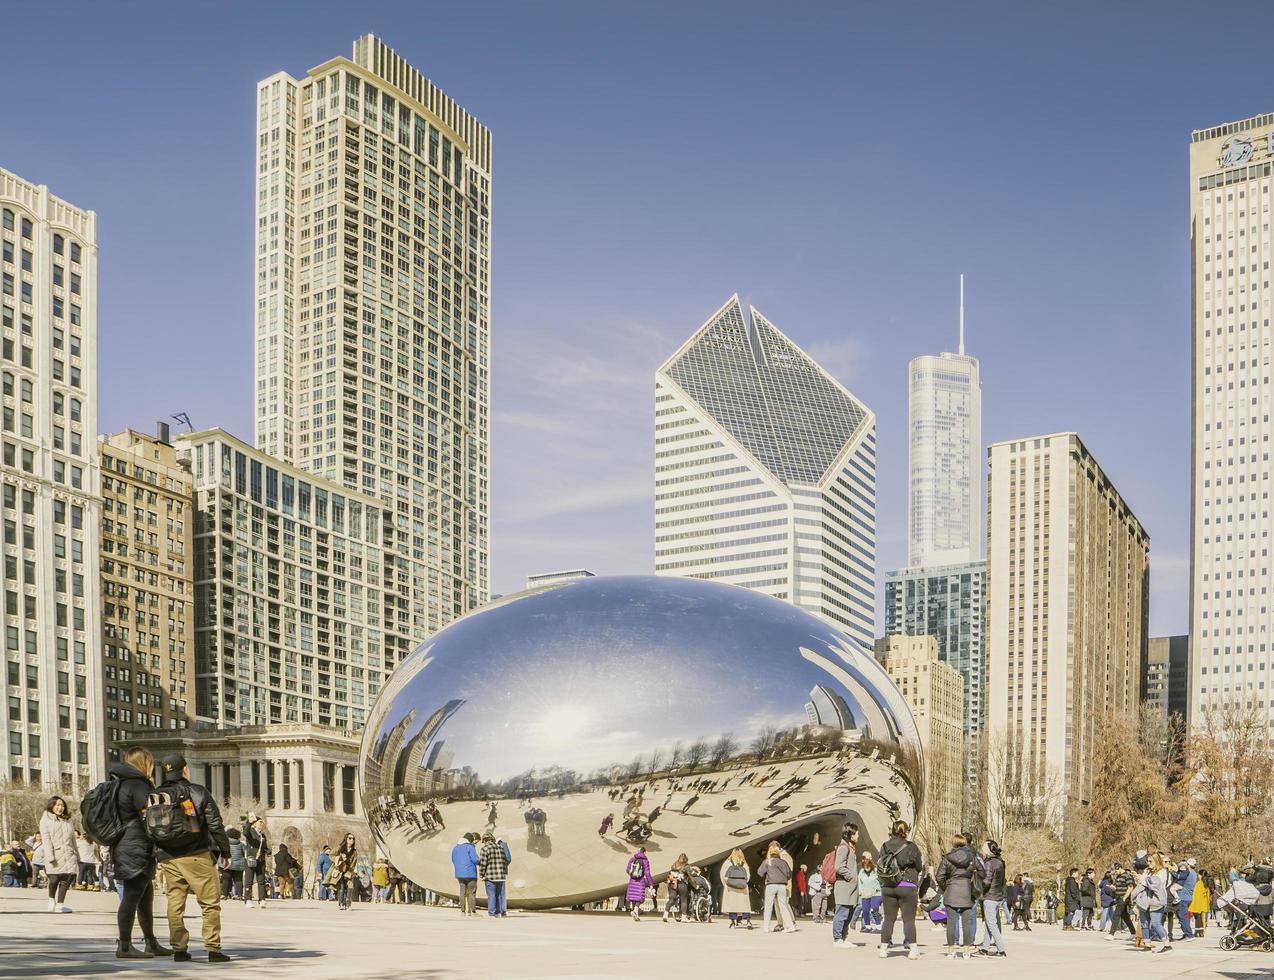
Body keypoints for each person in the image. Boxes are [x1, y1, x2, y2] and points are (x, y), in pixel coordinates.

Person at [151, 753, 231, 963]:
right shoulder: (196, 791)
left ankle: (179, 949)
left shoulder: (156, 795)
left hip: (167, 857)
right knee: (209, 903)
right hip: (196, 854)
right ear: (185, 769)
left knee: (175, 903)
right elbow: (215, 824)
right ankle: (213, 949)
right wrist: (225, 851)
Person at [111, 747, 170, 959]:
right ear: (145, 763)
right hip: (136, 846)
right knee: (132, 895)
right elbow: (154, 815)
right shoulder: (138, 784)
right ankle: (124, 945)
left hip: (124, 844)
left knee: (145, 895)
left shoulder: (118, 783)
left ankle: (150, 942)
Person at [876, 819, 923, 959]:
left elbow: (881, 862)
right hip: (907, 885)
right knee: (908, 920)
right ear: (906, 831)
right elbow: (919, 866)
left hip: (888, 885)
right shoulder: (911, 846)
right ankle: (913, 949)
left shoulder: (885, 846)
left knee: (888, 919)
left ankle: (883, 949)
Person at [935, 832, 980, 960]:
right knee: (967, 923)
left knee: (951, 923)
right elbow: (982, 872)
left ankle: (951, 951)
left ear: (953, 843)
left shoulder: (947, 858)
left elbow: (939, 877)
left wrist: (946, 886)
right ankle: (966, 951)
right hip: (966, 891)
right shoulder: (972, 857)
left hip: (951, 891)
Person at [39, 796, 78, 913]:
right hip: (56, 853)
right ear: (52, 806)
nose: (60, 808)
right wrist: (50, 856)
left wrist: (76, 853)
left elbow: (73, 840)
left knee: (67, 878)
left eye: (62, 805)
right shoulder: (45, 820)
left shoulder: (67, 820)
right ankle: (51, 899)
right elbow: (46, 840)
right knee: (54, 878)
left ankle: (60, 904)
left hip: (69, 853)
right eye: (57, 805)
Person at [1134, 852, 1171, 954]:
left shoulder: (1163, 872)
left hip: (1157, 900)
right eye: (1148, 861)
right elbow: (1143, 883)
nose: (1148, 863)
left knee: (1156, 924)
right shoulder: (1147, 871)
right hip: (1145, 899)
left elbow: (1154, 884)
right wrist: (1138, 878)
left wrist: (1143, 880)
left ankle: (1167, 945)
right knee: (1144, 923)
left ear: (1156, 861)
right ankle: (1147, 945)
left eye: (1150, 861)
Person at [758, 840, 798, 934]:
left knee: (768, 906)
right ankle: (790, 926)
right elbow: (789, 874)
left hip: (771, 884)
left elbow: (760, 872)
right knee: (783, 906)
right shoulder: (783, 861)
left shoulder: (768, 861)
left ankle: (766, 927)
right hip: (782, 885)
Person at [831, 821, 859, 945]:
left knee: (848, 913)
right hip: (844, 885)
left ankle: (844, 936)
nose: (858, 836)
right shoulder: (843, 847)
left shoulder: (850, 847)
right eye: (856, 833)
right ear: (851, 834)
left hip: (850, 887)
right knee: (841, 912)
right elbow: (838, 867)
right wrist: (851, 877)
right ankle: (837, 939)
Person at [979, 840, 1006, 957]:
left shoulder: (989, 863)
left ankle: (1001, 950)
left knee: (992, 925)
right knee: (989, 924)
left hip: (990, 897)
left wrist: (978, 889)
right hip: (997, 896)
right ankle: (984, 949)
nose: (982, 848)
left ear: (989, 849)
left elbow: (986, 882)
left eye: (984, 846)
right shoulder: (999, 862)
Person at [479, 832, 509, 917]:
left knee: (491, 895)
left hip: (490, 876)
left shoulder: (485, 849)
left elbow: (483, 863)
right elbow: (505, 861)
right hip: (501, 876)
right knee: (499, 895)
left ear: (485, 840)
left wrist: (481, 874)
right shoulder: (500, 848)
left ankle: (491, 913)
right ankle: (498, 912)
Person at [241, 814, 269, 907]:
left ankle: (262, 899)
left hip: (260, 860)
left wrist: (267, 851)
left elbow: (264, 847)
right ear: (255, 824)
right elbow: (245, 832)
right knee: (249, 880)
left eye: (262, 822)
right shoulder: (250, 831)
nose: (262, 824)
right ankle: (248, 899)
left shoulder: (262, 835)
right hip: (251, 859)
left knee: (261, 880)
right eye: (260, 822)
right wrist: (249, 822)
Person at [450, 833, 479, 915]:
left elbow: (453, 859)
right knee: (471, 892)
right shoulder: (470, 847)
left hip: (460, 874)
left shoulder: (455, 848)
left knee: (462, 892)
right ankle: (472, 911)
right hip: (470, 873)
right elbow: (475, 859)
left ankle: (462, 911)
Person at [624, 846, 652, 922]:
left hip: (632, 880)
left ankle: (636, 914)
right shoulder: (645, 861)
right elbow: (647, 873)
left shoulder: (632, 859)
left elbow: (627, 869)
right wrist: (651, 884)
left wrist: (631, 873)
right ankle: (635, 911)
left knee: (633, 897)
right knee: (639, 897)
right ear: (645, 852)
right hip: (640, 881)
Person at [331, 834, 359, 910]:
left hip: (349, 870)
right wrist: (339, 858)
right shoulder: (340, 848)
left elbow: (354, 862)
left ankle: (348, 904)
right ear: (346, 839)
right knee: (341, 887)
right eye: (350, 838)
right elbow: (331, 854)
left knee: (350, 887)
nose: (352, 840)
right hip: (340, 870)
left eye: (353, 838)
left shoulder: (354, 851)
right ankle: (341, 904)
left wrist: (350, 872)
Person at [1174, 859, 1198, 940]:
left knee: (1183, 916)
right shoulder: (1194, 874)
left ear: (1188, 865)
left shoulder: (1188, 873)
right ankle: (1186, 933)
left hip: (1183, 897)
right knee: (1184, 916)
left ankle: (1189, 934)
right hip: (1189, 897)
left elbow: (1179, 879)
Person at [664, 853, 690, 923]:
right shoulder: (686, 866)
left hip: (672, 883)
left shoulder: (674, 865)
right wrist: (695, 885)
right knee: (684, 900)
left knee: (672, 899)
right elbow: (690, 877)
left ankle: (665, 915)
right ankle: (684, 917)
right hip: (682, 885)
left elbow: (670, 873)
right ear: (686, 860)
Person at [859, 854, 882, 932]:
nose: (866, 868)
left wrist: (876, 890)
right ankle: (868, 927)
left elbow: (881, 882)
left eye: (868, 866)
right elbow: (860, 882)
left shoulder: (875, 871)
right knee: (865, 910)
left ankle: (878, 927)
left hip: (876, 893)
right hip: (865, 893)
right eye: (865, 866)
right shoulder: (861, 872)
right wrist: (861, 891)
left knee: (874, 908)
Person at [222, 829, 245, 899]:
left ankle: (225, 895)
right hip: (238, 865)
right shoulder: (241, 844)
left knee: (225, 879)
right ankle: (240, 895)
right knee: (238, 880)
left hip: (227, 864)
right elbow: (244, 853)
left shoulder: (225, 843)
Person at [1189, 867, 1211, 937]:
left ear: (1201, 875)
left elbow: (1195, 894)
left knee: (1197, 918)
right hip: (1203, 903)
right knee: (1201, 918)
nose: (1198, 876)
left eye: (1199, 875)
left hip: (1197, 903)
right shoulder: (1206, 884)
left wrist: (1192, 903)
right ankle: (1201, 932)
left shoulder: (1199, 883)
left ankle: (1197, 931)